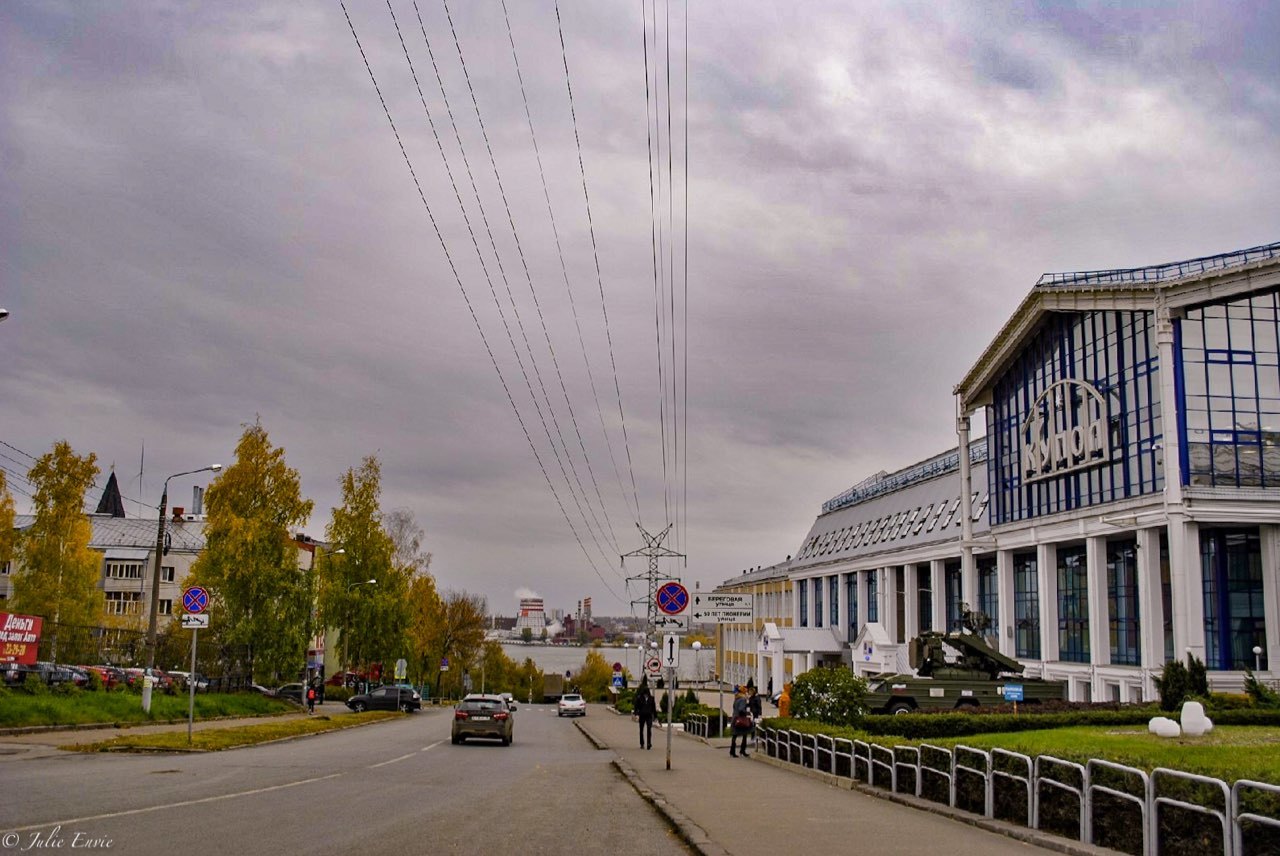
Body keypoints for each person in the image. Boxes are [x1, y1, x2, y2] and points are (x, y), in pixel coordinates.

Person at [729, 686, 752, 758]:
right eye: (746, 691)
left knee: (734, 735)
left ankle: (732, 751)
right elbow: (741, 709)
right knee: (744, 734)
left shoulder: (736, 698)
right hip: (741, 719)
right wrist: (747, 712)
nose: (747, 693)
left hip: (735, 718)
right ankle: (742, 750)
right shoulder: (742, 699)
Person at [634, 680, 657, 750]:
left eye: (646, 693)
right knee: (641, 730)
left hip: (649, 716)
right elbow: (636, 706)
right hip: (642, 716)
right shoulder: (639, 698)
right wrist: (636, 714)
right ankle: (642, 743)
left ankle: (649, 743)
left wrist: (655, 716)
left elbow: (654, 708)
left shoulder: (651, 698)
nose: (645, 695)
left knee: (649, 729)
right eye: (644, 693)